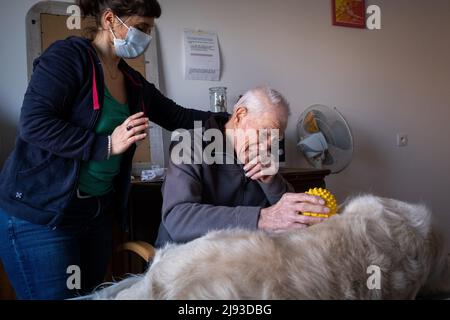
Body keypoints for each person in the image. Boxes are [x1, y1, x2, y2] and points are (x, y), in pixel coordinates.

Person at [0, 0, 217, 300]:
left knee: (90, 297)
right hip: (43, 214)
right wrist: (107, 144)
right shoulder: (68, 58)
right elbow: (34, 124)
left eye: (150, 30)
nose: (146, 38)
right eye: (140, 28)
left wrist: (236, 120)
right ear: (110, 19)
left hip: (94, 215)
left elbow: (179, 117)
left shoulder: (132, 82)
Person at [156, 87, 330, 246]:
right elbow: (178, 218)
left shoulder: (265, 156)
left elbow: (289, 216)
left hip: (243, 259)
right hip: (186, 260)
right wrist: (261, 218)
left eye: (276, 139)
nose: (268, 146)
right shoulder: (188, 144)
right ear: (239, 115)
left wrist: (272, 181)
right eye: (265, 133)